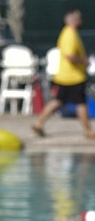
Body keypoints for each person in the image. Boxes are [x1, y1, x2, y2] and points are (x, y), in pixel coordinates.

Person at [32, 8, 95, 140]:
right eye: (79, 18)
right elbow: (70, 56)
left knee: (58, 101)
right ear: (74, 20)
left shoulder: (69, 33)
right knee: (81, 103)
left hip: (66, 76)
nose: (81, 21)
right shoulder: (70, 34)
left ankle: (38, 123)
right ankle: (88, 130)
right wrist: (84, 60)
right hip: (73, 77)